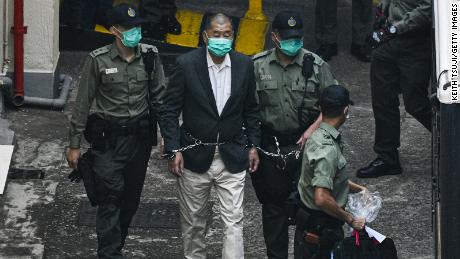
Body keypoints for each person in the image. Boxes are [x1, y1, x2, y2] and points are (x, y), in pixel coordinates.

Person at [66, 4, 166, 258]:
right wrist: (74, 144)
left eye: (138, 27)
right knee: (110, 199)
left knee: (130, 201)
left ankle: (115, 246)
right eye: (129, 28)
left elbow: (160, 99)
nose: (135, 32)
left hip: (139, 141)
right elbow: (82, 103)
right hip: (108, 144)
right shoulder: (98, 60)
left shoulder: (150, 56)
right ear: (114, 31)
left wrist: (167, 137)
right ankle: (108, 253)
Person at [159, 13, 261, 259]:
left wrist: (254, 145)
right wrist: (174, 149)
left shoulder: (244, 65)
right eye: (217, 34)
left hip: (232, 154)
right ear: (205, 36)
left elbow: (251, 109)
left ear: (233, 37)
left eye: (227, 35)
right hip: (194, 154)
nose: (222, 39)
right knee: (194, 222)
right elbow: (169, 109)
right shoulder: (186, 64)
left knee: (234, 222)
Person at [251, 11, 338, 259]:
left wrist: (313, 130)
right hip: (271, 149)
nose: (294, 43)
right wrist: (253, 146)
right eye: (288, 38)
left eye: (298, 38)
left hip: (306, 148)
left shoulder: (317, 65)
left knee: (309, 212)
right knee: (273, 211)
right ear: (275, 37)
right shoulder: (258, 66)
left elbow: (335, 106)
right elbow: (247, 109)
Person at [356, 0, 432, 178]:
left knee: (416, 104)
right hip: (386, 40)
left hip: (415, 42)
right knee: (382, 100)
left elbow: (429, 9)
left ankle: (451, 141)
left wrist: (398, 28)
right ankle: (387, 158)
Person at [295, 85, 367, 259]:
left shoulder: (317, 137)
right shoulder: (327, 150)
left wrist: (360, 189)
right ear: (345, 110)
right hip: (320, 233)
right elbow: (321, 198)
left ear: (321, 108)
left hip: (312, 227)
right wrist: (350, 219)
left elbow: (330, 178)